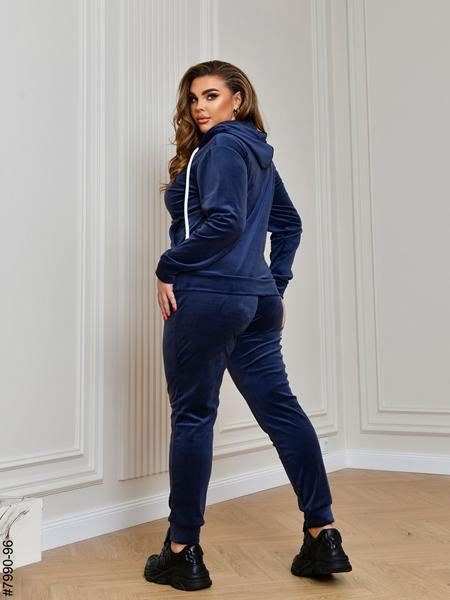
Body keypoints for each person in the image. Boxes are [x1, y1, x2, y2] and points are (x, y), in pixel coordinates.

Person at [144, 60, 352, 592]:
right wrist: (272, 286)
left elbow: (225, 222)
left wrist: (168, 266)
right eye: (194, 98)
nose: (200, 107)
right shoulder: (257, 152)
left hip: (209, 298)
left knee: (194, 417)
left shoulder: (220, 149)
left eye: (211, 95)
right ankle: (322, 535)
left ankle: (182, 551)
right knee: (282, 410)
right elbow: (289, 225)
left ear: (238, 99)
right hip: (255, 302)